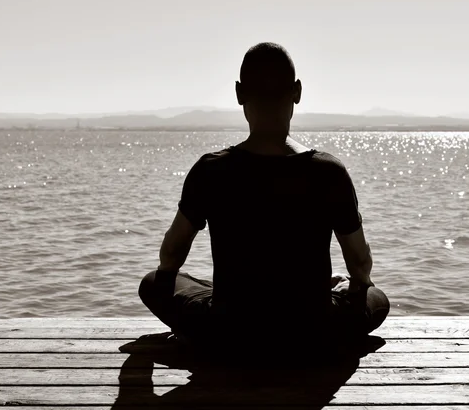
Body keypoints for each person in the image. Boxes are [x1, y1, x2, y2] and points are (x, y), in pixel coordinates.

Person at [139, 42, 390, 360]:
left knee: (153, 282)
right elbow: (359, 263)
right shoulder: (329, 171)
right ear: (297, 91)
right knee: (376, 296)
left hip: (229, 332)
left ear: (239, 93)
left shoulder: (211, 170)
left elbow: (171, 254)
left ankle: (218, 309)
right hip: (312, 332)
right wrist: (352, 288)